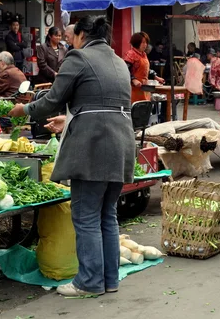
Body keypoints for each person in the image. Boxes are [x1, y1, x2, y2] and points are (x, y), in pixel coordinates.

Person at [8, 16, 135, 297]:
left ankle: (89, 282)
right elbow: (102, 105)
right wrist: (68, 121)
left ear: (81, 35)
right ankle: (109, 280)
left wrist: (24, 110)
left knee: (86, 216)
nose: (69, 41)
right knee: (107, 215)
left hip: (94, 146)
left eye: (70, 36)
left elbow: (53, 98)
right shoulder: (118, 62)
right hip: (121, 144)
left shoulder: (78, 57)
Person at [123, 32, 165, 103]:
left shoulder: (144, 54)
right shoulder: (131, 54)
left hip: (144, 88)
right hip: (133, 89)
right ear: (137, 43)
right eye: (143, 42)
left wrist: (156, 77)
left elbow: (146, 70)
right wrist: (133, 80)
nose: (145, 45)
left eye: (146, 43)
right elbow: (125, 69)